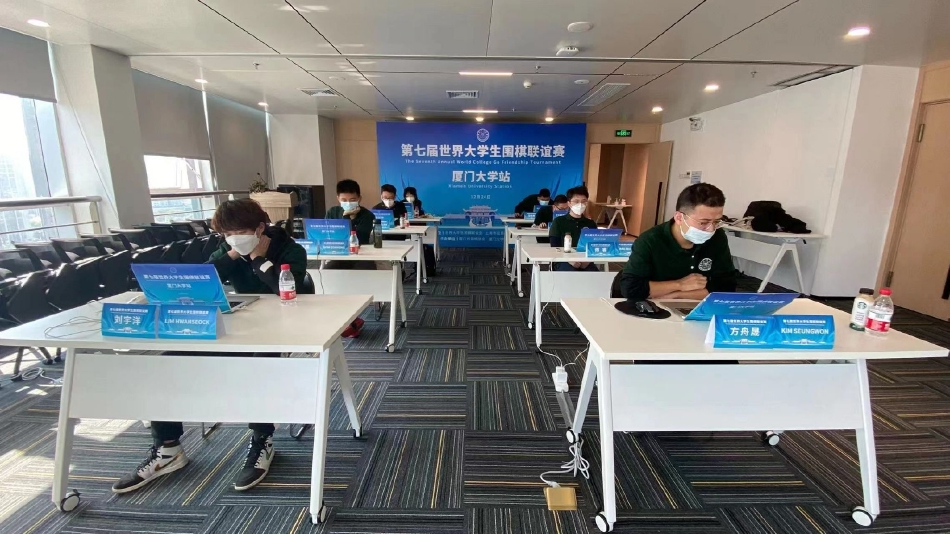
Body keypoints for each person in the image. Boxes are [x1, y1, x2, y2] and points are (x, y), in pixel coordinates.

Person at [112, 199, 309, 495]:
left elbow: (287, 289)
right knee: (166, 362)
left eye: (240, 232)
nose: (234, 238)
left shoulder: (290, 249)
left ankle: (262, 439)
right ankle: (168, 448)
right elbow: (202, 278)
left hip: (280, 326)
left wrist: (258, 259)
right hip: (240, 325)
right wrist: (232, 253)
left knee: (259, 364)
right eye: (227, 234)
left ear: (259, 228)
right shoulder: (227, 249)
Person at [614, 183, 737, 300]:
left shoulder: (717, 237)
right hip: (651, 306)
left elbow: (726, 286)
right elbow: (631, 289)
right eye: (703, 222)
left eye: (716, 222)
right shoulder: (650, 240)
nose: (711, 229)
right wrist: (680, 284)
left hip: (695, 306)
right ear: (679, 218)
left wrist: (677, 295)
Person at [324, 179, 375, 336]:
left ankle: (351, 319)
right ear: (338, 198)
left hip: (362, 257)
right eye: (344, 200)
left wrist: (349, 219)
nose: (348, 203)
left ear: (359, 198)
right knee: (327, 273)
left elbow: (357, 238)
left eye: (352, 200)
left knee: (357, 278)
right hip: (340, 256)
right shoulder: (332, 212)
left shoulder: (367, 215)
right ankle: (349, 320)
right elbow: (328, 235)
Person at [548, 186, 599, 272]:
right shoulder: (558, 221)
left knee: (596, 276)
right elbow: (555, 247)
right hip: (563, 260)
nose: (580, 204)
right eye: (576, 201)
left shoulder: (591, 224)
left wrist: (587, 261)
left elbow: (594, 246)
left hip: (585, 261)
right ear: (569, 203)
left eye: (584, 201)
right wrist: (569, 259)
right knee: (572, 273)